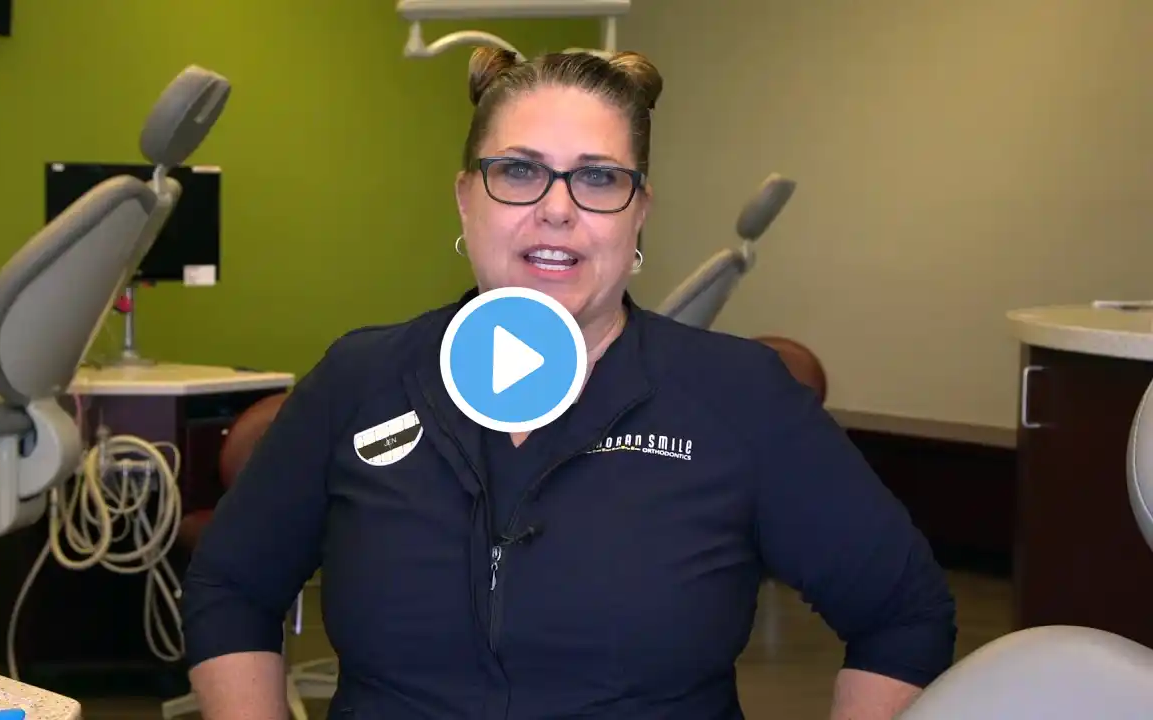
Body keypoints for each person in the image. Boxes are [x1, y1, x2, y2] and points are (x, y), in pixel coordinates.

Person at [180, 47, 956, 720]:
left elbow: (903, 613)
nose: (557, 209)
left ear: (639, 212)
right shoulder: (361, 381)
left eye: (599, 178)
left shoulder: (738, 396)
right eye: (518, 171)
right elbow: (231, 585)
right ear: (465, 197)